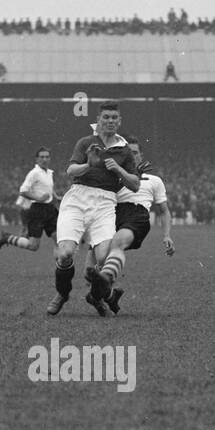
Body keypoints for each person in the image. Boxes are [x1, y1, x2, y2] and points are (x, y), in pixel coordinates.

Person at [48, 102, 141, 317]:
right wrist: (89, 164)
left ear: (119, 121)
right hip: (78, 198)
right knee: (65, 253)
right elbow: (71, 170)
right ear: (99, 120)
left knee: (103, 259)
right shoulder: (86, 142)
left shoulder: (124, 151)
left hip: (105, 203)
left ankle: (98, 297)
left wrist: (117, 168)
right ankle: (62, 293)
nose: (110, 121)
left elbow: (135, 184)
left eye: (114, 118)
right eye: (106, 117)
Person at [89, 138, 174, 316]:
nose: (132, 156)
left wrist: (166, 235)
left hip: (136, 215)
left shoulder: (154, 180)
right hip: (111, 215)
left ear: (141, 155)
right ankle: (109, 296)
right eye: (129, 153)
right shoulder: (113, 176)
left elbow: (164, 211)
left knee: (118, 243)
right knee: (90, 270)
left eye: (135, 153)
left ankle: (104, 284)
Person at [0, 147, 57, 252]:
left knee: (59, 238)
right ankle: (7, 238)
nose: (45, 159)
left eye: (47, 157)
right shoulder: (34, 173)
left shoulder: (49, 173)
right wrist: (39, 198)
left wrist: (56, 196)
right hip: (38, 210)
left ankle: (62, 265)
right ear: (37, 159)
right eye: (42, 157)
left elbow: (48, 188)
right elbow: (23, 191)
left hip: (50, 210)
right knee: (33, 246)